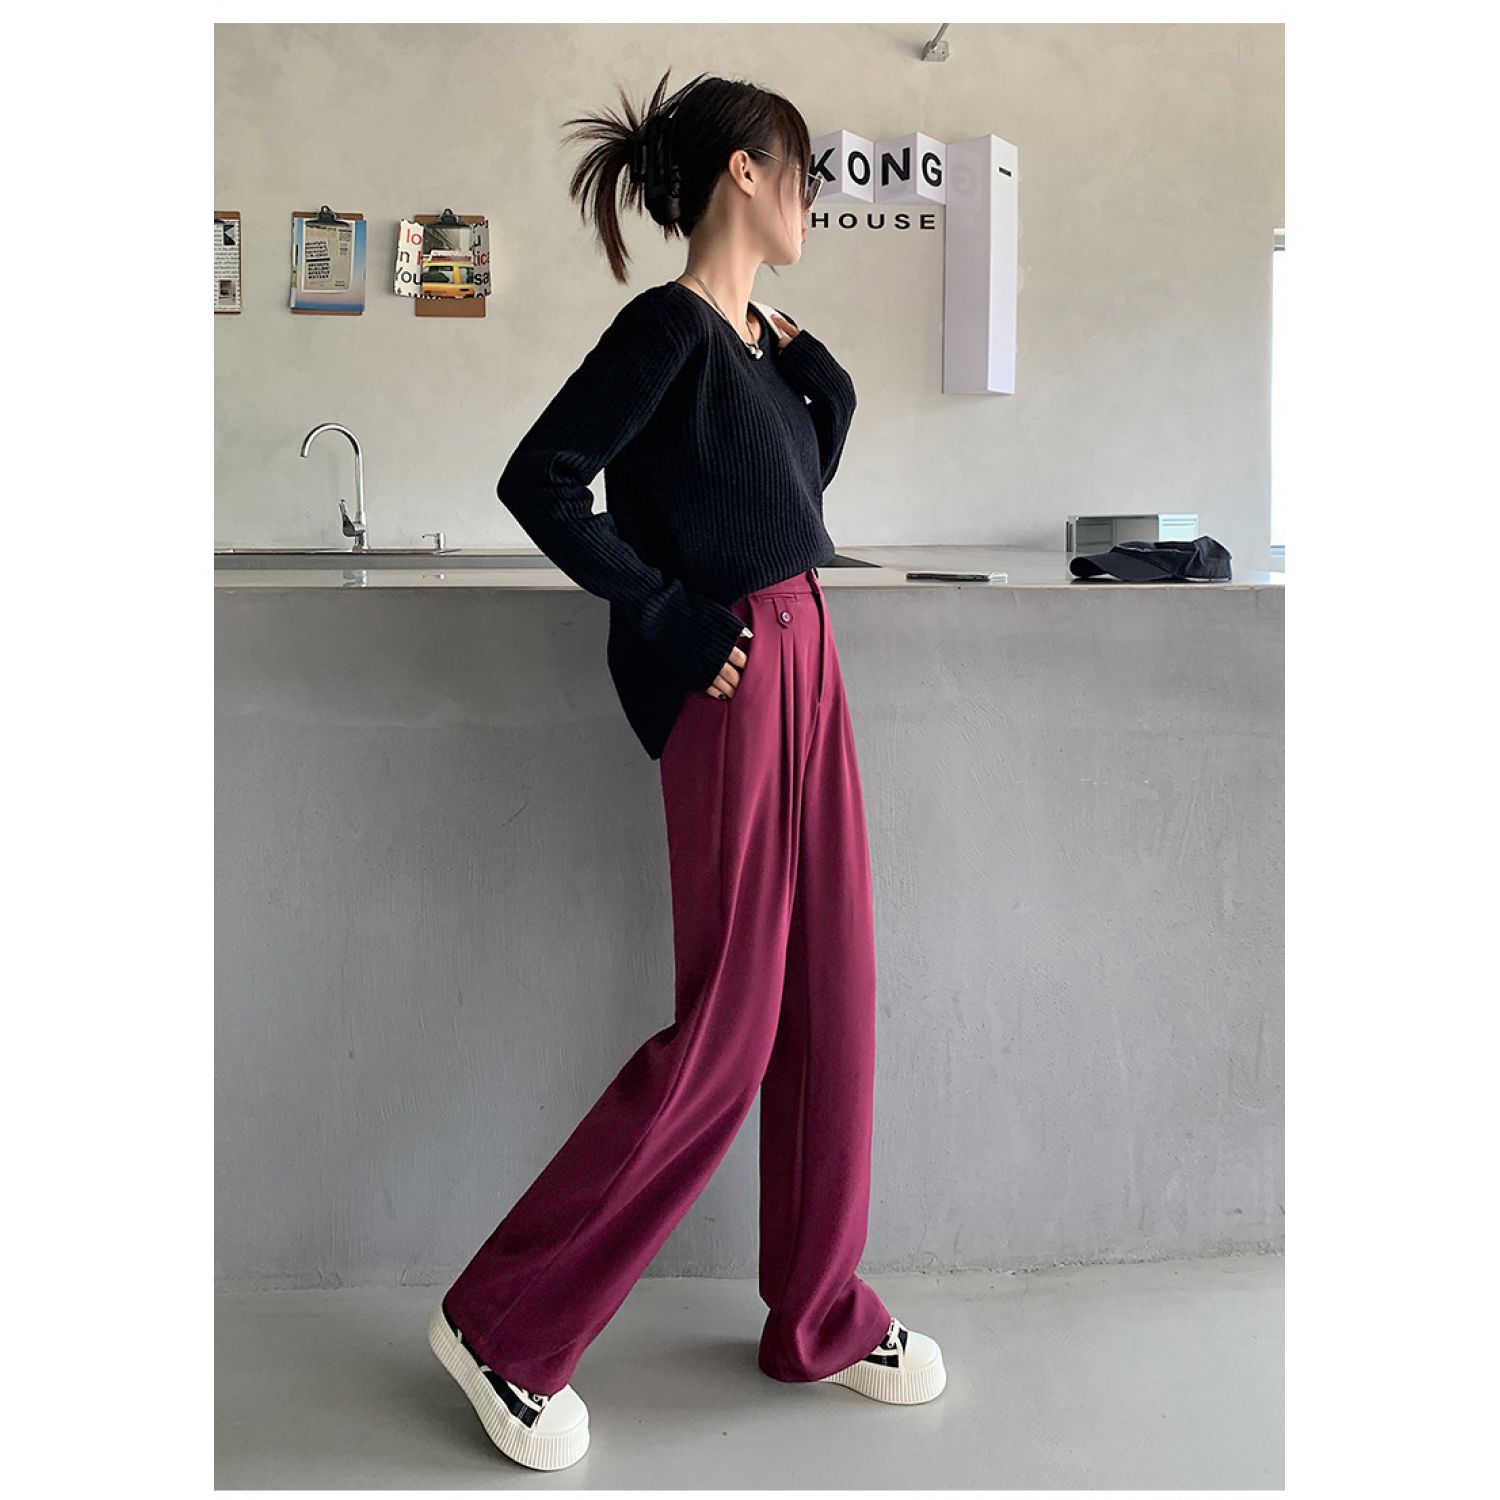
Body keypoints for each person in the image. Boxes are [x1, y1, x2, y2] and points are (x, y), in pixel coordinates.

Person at [426, 69, 946, 1471]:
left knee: (833, 995)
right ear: (743, 173)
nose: (812, 198)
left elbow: (794, 493)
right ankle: (502, 1325)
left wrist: (815, 368)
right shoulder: (665, 327)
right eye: (799, 172)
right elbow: (541, 478)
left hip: (809, 655)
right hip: (736, 675)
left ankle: (818, 1314)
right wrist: (662, 614)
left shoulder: (752, 347)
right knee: (729, 1025)